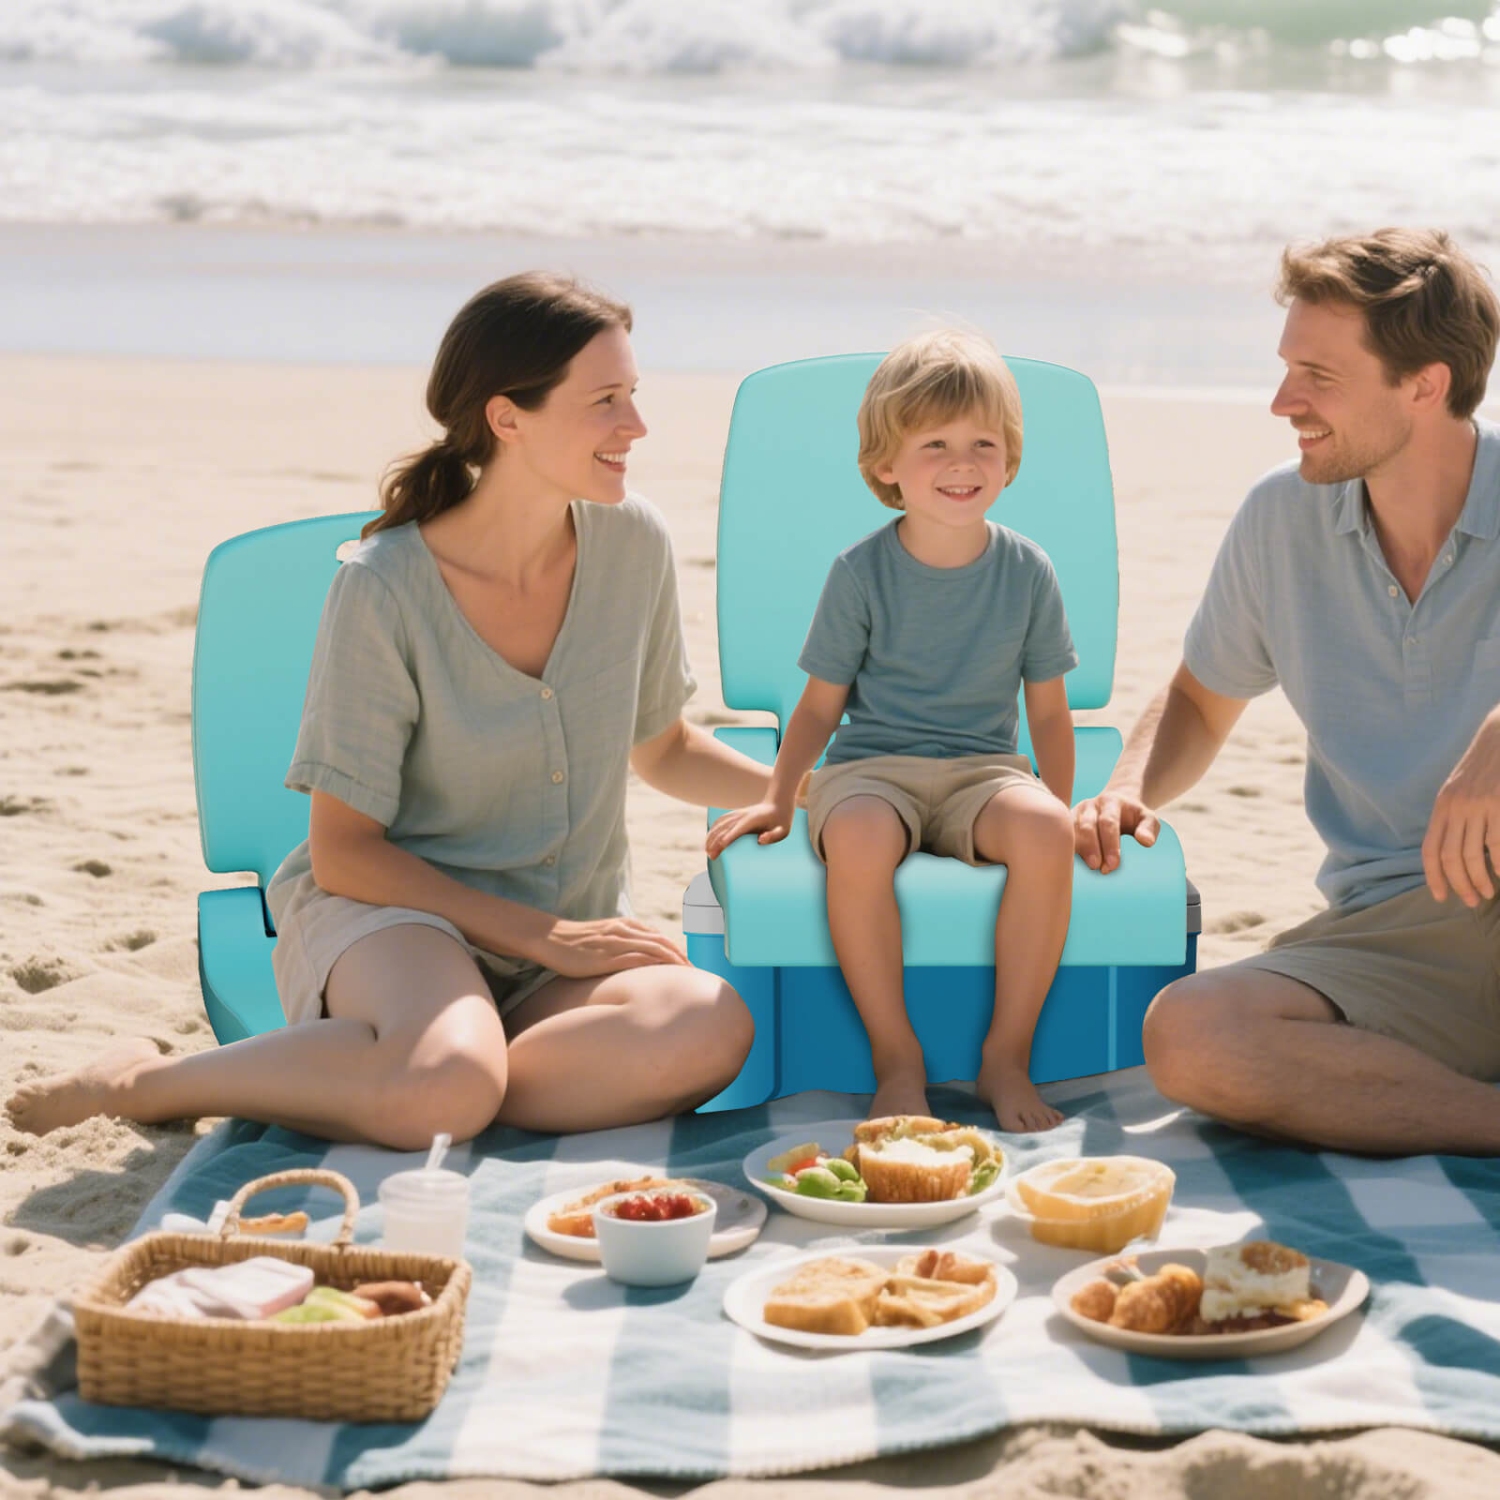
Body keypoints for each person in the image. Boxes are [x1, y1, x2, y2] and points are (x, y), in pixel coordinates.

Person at [7, 273, 771, 1148]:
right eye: (605, 401)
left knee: (711, 1026)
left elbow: (663, 746)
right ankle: (148, 1081)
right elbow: (344, 854)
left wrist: (801, 791)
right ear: (508, 417)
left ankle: (439, 1072)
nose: (636, 426)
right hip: (394, 921)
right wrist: (545, 935)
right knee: (451, 1076)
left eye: (634, 395)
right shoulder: (383, 589)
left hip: (554, 937)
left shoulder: (635, 542)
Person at [1073, 228, 1500, 1157]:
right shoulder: (1281, 516)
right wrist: (1128, 786)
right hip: (1397, 931)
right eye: (1285, 368)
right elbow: (1199, 694)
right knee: (1189, 1038)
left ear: (1425, 385)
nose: (1281, 402)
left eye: (1319, 375)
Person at [707, 330, 1078, 1132]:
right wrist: (780, 796)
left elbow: (1048, 710)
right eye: (935, 444)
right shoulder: (860, 572)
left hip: (985, 773)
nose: (962, 463)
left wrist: (1062, 804)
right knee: (865, 839)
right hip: (872, 770)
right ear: (887, 466)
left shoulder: (1029, 571)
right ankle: (895, 1057)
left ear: (1009, 460)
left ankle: (1004, 1057)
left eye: (984, 443)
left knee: (1046, 831)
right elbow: (818, 706)